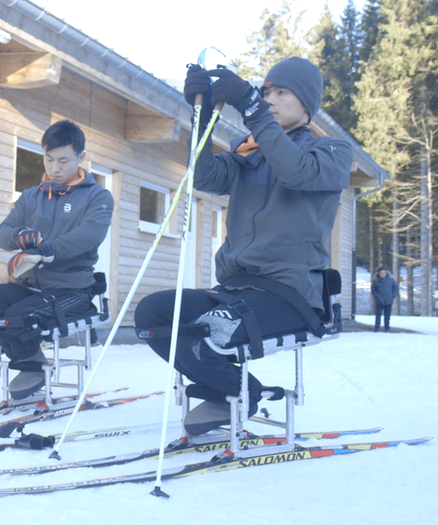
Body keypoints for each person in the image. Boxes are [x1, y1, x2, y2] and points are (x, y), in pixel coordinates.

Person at [134, 57, 353, 435]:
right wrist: (203, 116)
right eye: (266, 92)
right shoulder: (249, 156)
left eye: (282, 92)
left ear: (306, 105)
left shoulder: (332, 153)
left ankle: (229, 392)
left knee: (210, 330)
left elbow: (296, 170)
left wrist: (251, 108)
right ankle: (236, 390)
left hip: (291, 294)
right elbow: (203, 176)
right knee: (153, 315)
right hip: (236, 289)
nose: (271, 98)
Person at [0, 120, 113, 400]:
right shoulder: (30, 197)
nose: (55, 168)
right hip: (29, 285)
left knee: (18, 317)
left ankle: (32, 368)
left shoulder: (98, 197)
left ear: (80, 157)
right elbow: (1, 235)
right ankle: (32, 364)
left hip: (72, 289)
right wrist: (20, 236)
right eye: (49, 159)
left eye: (63, 160)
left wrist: (46, 248)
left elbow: (88, 236)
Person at [372, 266, 399, 332]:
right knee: (378, 314)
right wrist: (378, 296)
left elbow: (396, 288)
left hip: (388, 299)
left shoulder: (391, 280)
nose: (383, 274)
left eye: (384, 273)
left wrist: (393, 295)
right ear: (378, 273)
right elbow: (373, 290)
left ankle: (387, 328)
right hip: (379, 300)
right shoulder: (376, 281)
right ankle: (377, 327)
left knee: (387, 315)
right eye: (381, 273)